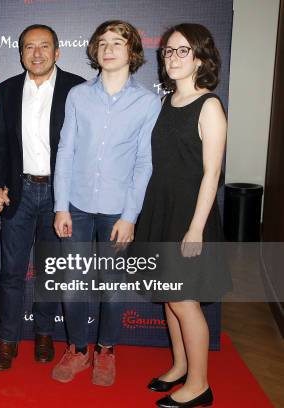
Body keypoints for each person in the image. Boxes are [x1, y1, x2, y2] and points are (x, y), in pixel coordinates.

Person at [53, 20, 160, 386]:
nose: (108, 48)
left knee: (113, 285)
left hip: (118, 208)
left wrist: (130, 216)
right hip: (77, 205)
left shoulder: (147, 102)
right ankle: (78, 350)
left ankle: (107, 350)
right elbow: (65, 151)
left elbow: (144, 162)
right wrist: (60, 206)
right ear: (95, 52)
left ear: (132, 51)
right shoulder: (78, 96)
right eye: (102, 42)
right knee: (73, 281)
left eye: (117, 42)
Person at [135, 23, 226, 408]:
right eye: (168, 51)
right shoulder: (166, 103)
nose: (172, 58)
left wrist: (195, 228)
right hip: (162, 209)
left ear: (201, 57)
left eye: (182, 51)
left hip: (191, 215)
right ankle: (180, 366)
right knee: (170, 298)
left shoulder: (210, 106)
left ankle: (200, 386)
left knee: (184, 300)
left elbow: (211, 174)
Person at [0, 24, 85, 370]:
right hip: (19, 192)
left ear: (58, 52)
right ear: (21, 53)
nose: (37, 53)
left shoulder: (78, 89)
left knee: (50, 272)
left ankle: (44, 334)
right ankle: (7, 341)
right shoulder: (7, 91)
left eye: (45, 46)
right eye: (29, 47)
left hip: (61, 195)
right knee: (12, 272)